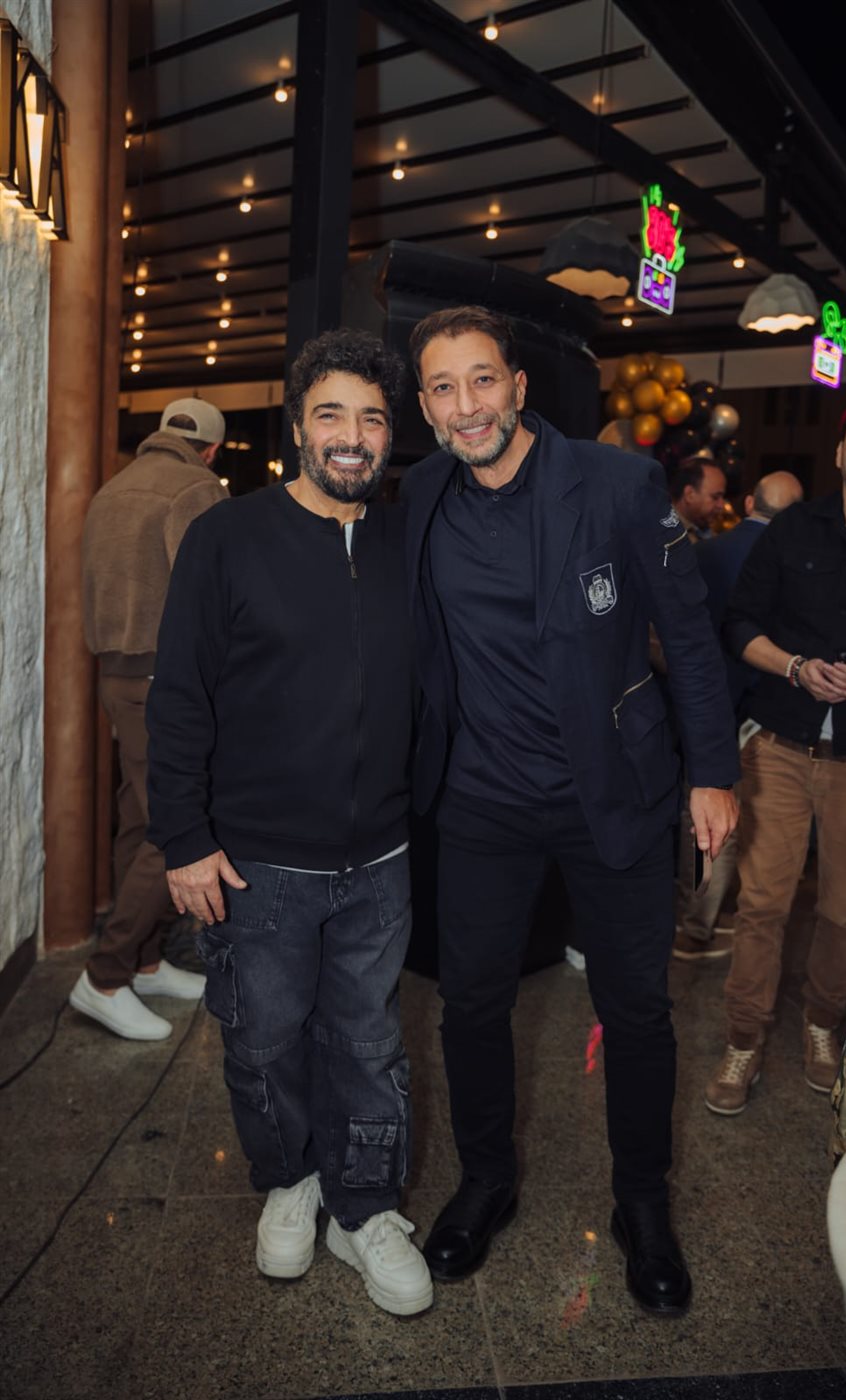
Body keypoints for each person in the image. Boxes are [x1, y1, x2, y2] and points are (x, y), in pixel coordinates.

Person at [402, 305, 738, 1315]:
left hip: (615, 795)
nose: (466, 405)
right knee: (470, 1004)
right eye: (443, 388)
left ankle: (642, 1201)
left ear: (517, 386)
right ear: (424, 406)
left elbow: (689, 632)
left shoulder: (616, 483)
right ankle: (486, 1179)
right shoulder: (419, 495)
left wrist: (712, 771)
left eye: (481, 379)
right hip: (480, 803)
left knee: (635, 1010)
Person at [145, 331, 433, 1317]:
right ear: (298, 428)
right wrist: (183, 838)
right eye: (331, 414)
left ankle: (365, 1206)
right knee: (264, 1042)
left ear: (389, 435)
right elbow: (178, 694)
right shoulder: (227, 537)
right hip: (256, 861)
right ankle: (290, 1180)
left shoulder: (401, 541)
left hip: (380, 858)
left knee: (369, 1044)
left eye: (372, 418)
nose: (353, 435)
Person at [705, 390, 846, 1115]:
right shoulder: (794, 528)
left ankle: (822, 1026)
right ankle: (743, 1038)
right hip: (778, 744)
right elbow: (739, 625)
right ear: (839, 451)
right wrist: (797, 667)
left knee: (844, 911)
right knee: (762, 903)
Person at [71, 398, 228, 1041]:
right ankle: (105, 976)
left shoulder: (111, 489)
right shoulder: (198, 489)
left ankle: (143, 960)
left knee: (139, 818)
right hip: (168, 681)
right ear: (212, 450)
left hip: (115, 677)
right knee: (174, 826)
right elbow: (217, 595)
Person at [673, 471, 804, 962]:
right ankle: (701, 926)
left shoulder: (706, 553)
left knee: (703, 817)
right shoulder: (793, 562)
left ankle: (695, 921)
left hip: (703, 702)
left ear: (750, 503)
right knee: (743, 823)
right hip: (763, 709)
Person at [669, 455, 727, 541]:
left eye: (722, 497)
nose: (721, 505)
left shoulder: (709, 532)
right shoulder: (665, 534)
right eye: (715, 497)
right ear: (689, 494)